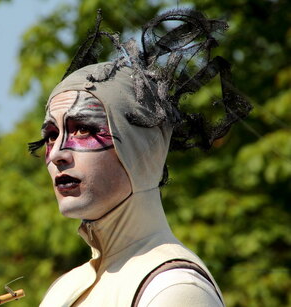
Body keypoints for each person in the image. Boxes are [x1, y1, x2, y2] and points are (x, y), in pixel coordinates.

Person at [29, 9, 251, 307]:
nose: (57, 154)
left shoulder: (173, 289)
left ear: (140, 145)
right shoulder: (63, 290)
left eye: (83, 129)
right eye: (51, 135)